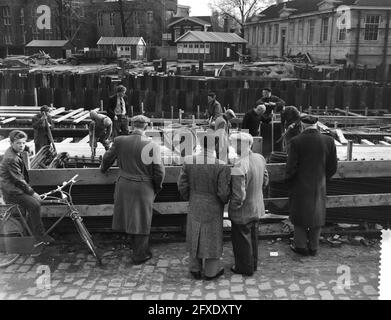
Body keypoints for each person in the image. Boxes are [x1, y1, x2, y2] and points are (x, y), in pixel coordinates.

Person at [100, 115, 165, 264]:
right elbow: (159, 171)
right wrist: (157, 186)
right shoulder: (152, 145)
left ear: (131, 126)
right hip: (143, 187)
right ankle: (140, 254)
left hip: (124, 185)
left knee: (129, 217)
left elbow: (107, 159)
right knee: (142, 220)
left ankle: (133, 248)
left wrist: (103, 169)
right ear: (146, 127)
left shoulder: (120, 141)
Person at [177, 130, 231, 280]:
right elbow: (223, 192)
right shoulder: (221, 166)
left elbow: (182, 185)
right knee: (212, 237)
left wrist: (191, 197)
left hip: (195, 201)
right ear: (215, 145)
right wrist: (223, 201)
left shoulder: (189, 161)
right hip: (213, 205)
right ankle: (210, 272)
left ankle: (194, 269)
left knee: (195, 233)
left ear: (200, 143)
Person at [285, 115, 338, 256]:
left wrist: (289, 181)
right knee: (317, 214)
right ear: (317, 125)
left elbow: (291, 168)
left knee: (299, 215)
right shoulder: (329, 141)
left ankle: (300, 246)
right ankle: (314, 247)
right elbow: (333, 167)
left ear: (302, 126)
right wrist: (323, 178)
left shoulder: (296, 141)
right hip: (319, 183)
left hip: (300, 184)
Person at [0, 130, 53, 245]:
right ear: (11, 143)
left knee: (33, 204)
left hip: (14, 189)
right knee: (35, 205)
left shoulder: (14, 151)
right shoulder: (11, 159)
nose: (21, 146)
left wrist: (28, 148)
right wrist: (32, 193)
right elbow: (19, 180)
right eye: (18, 143)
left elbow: (23, 146)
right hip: (12, 192)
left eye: (23, 143)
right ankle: (39, 236)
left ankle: (31, 231)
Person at [229, 132, 269, 276]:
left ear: (241, 145)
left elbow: (238, 194)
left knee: (242, 240)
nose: (232, 146)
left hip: (243, 209)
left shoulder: (239, 164)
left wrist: (234, 208)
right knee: (253, 237)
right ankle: (253, 264)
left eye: (233, 143)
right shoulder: (260, 158)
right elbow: (265, 179)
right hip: (257, 205)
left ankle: (244, 268)